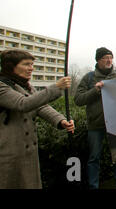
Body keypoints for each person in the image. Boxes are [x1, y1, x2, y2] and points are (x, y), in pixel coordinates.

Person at [0, 49, 74, 189]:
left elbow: (41, 106)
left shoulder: (26, 86)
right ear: (11, 66)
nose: (31, 68)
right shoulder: (2, 86)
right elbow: (23, 104)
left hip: (27, 153)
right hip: (7, 153)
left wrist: (61, 120)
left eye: (32, 64)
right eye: (26, 64)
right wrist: (56, 87)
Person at [74, 47, 116, 189]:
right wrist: (95, 90)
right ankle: (93, 186)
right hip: (95, 125)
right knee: (94, 158)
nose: (109, 60)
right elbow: (78, 100)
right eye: (105, 57)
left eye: (111, 57)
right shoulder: (89, 78)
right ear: (98, 60)